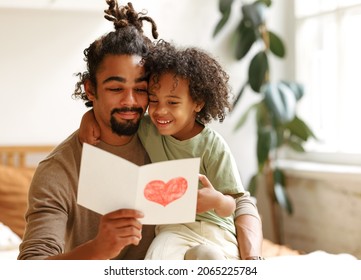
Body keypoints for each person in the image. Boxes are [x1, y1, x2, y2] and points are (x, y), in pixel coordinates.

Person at [79, 40, 264, 260]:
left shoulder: (213, 146)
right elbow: (117, 116)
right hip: (172, 229)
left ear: (197, 103)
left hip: (216, 231)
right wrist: (88, 117)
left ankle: (206, 256)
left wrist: (216, 200)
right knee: (157, 259)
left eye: (173, 102)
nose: (160, 111)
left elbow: (234, 204)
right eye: (154, 100)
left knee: (210, 257)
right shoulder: (148, 129)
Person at [18, 0, 160, 260]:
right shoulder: (59, 169)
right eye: (116, 89)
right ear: (91, 90)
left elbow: (237, 198)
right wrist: (98, 249)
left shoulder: (170, 140)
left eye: (140, 89)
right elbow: (31, 267)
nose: (130, 101)